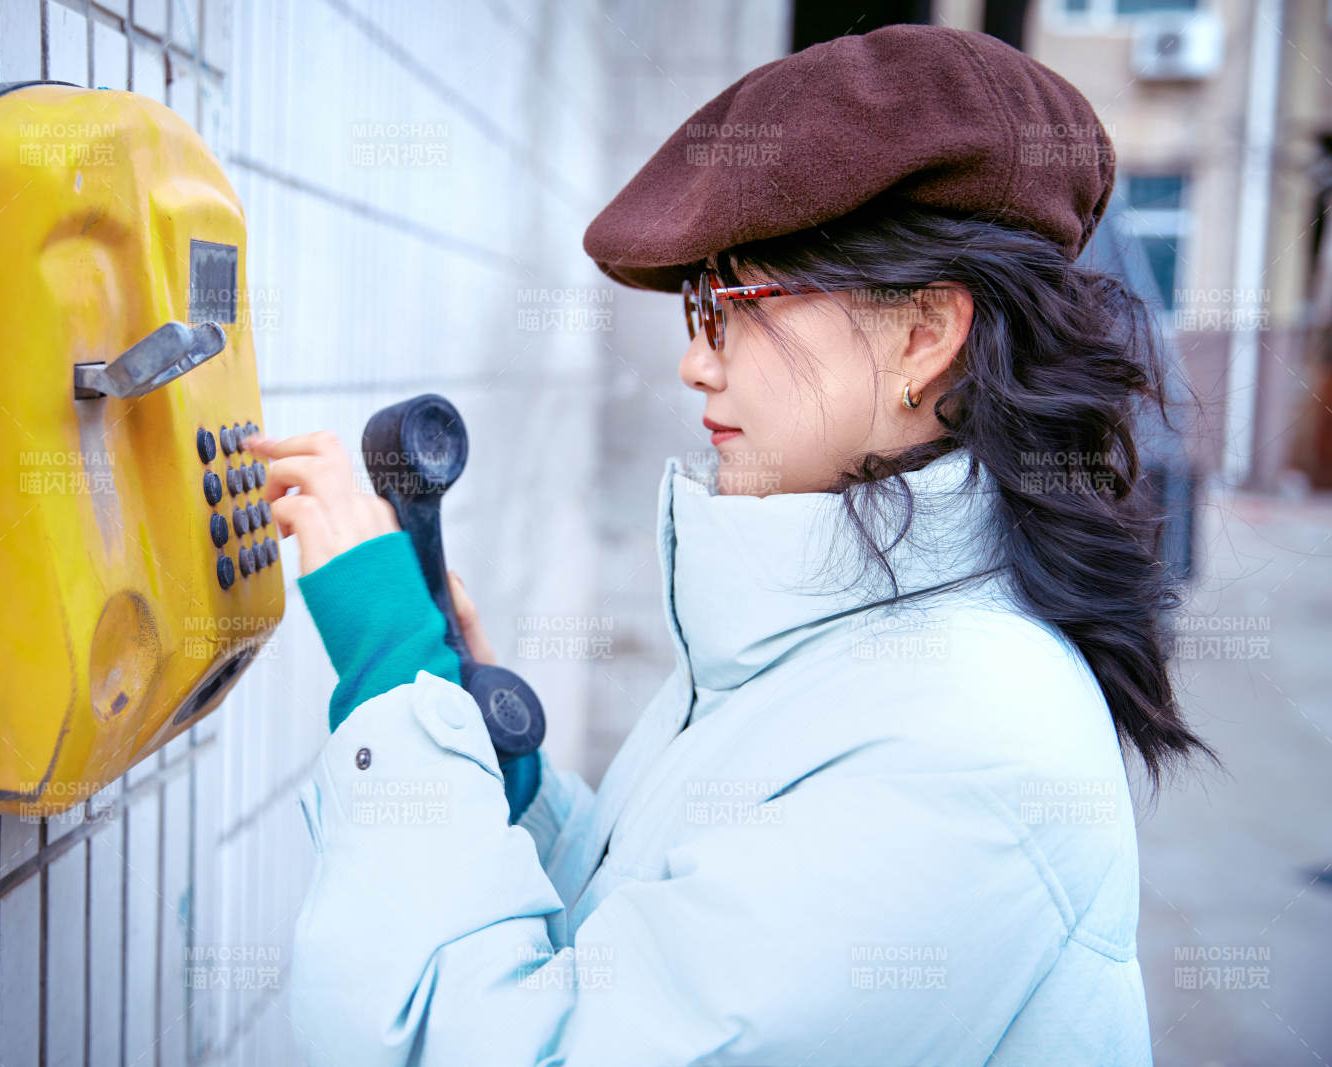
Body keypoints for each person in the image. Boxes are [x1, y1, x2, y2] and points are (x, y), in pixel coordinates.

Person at [245, 24, 1213, 1067]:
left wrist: (393, 674)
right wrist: (501, 775)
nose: (693, 365)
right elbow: (659, 937)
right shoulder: (840, 631)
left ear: (923, 333)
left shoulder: (965, 748)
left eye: (730, 304)